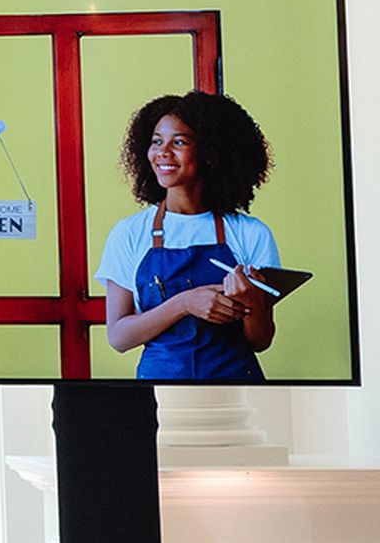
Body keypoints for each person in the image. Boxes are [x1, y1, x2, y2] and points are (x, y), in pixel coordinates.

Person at [94, 90, 278, 381]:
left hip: (237, 388)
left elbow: (261, 341)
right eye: (157, 141)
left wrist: (253, 303)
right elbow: (119, 337)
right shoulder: (128, 234)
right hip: (159, 390)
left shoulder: (251, 233)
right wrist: (184, 303)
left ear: (210, 151)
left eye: (179, 142)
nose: (163, 152)